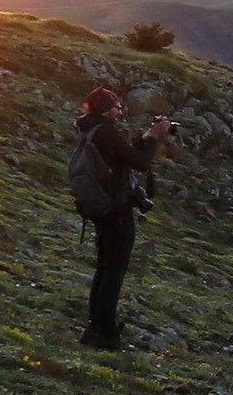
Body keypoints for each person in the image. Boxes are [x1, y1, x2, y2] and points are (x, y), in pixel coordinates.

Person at [70, 85, 172, 349]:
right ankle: (106, 332)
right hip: (116, 210)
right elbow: (140, 163)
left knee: (104, 268)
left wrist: (146, 137)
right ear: (106, 110)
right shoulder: (106, 131)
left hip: (102, 208)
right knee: (113, 272)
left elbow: (122, 157)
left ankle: (94, 328)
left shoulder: (91, 130)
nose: (120, 112)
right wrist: (154, 137)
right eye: (116, 107)